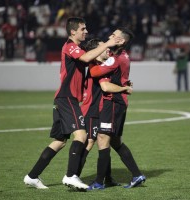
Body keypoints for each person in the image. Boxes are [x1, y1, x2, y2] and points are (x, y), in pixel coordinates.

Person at [23, 17, 122, 191]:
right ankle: (70, 176)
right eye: (83, 29)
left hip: (63, 99)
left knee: (59, 141)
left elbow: (92, 53)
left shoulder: (78, 48)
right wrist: (108, 43)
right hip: (67, 97)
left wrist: (114, 46)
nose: (86, 31)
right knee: (81, 136)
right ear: (73, 31)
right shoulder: (70, 46)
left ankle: (32, 176)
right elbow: (85, 58)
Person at [87, 27, 146, 190]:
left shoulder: (116, 58)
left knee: (102, 139)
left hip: (112, 102)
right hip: (119, 102)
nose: (109, 37)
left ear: (121, 41)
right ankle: (136, 174)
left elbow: (95, 72)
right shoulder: (122, 56)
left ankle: (99, 182)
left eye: (113, 35)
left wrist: (90, 60)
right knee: (115, 141)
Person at [78, 39, 133, 186]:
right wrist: (124, 88)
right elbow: (105, 87)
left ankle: (107, 178)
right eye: (103, 47)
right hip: (91, 109)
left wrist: (123, 83)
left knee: (104, 141)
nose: (107, 49)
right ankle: (73, 176)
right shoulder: (95, 66)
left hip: (99, 109)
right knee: (90, 142)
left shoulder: (101, 65)